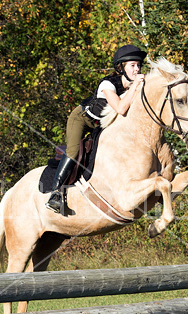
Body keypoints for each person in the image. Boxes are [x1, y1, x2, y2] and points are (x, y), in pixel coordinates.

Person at [46, 44, 147, 213]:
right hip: (82, 119)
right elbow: (121, 109)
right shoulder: (108, 84)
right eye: (132, 65)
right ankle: (55, 194)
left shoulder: (134, 85)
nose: (137, 69)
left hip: (103, 124)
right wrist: (136, 86)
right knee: (73, 151)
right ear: (121, 68)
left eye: (138, 65)